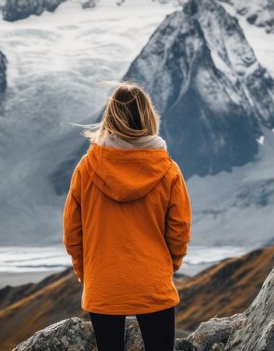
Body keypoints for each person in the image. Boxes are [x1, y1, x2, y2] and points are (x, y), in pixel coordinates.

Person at [62, 81, 192, 351]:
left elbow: (72, 232)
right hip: (153, 281)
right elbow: (179, 229)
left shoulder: (87, 167)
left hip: (103, 283)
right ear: (148, 118)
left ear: (110, 117)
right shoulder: (167, 169)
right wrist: (168, 267)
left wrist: (86, 272)